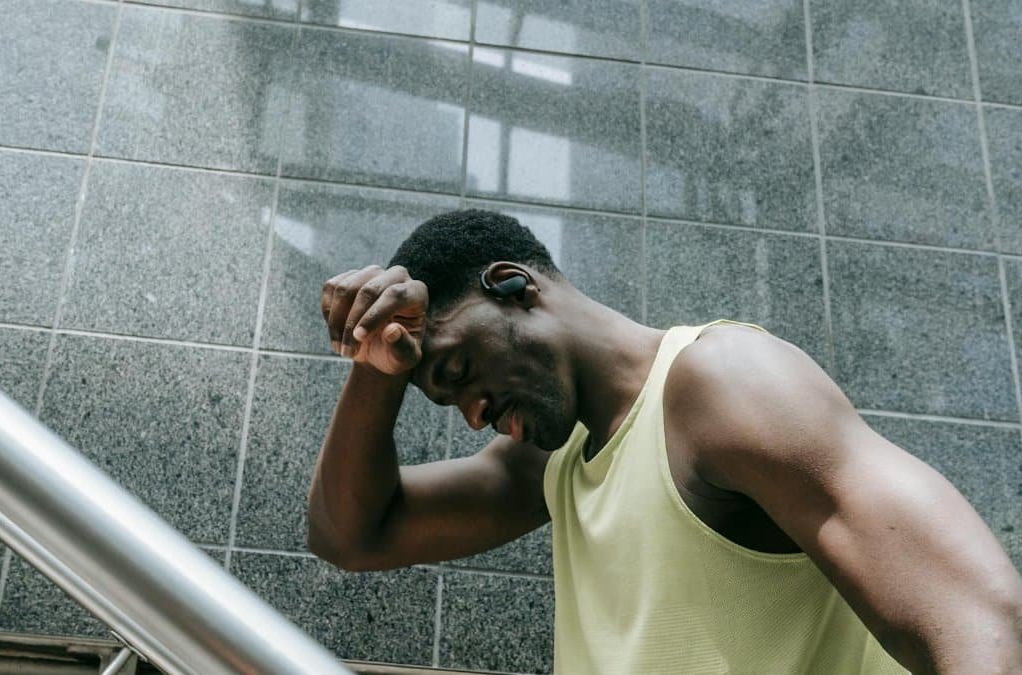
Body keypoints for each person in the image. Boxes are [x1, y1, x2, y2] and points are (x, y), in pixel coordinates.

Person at [305, 209, 1022, 674]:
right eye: (448, 399)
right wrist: (378, 367)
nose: (474, 412)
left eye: (460, 371)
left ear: (513, 283)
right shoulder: (552, 467)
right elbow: (353, 535)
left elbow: (977, 619)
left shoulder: (720, 385)